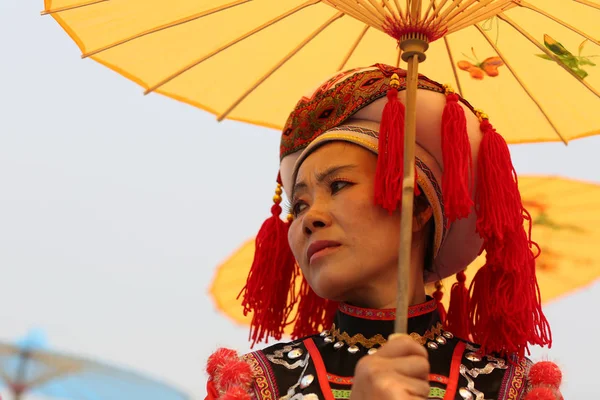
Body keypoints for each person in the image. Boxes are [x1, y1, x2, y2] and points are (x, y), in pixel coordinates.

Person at [205, 64, 563, 400]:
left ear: (418, 207)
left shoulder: (508, 388)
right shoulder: (256, 384)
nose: (309, 218)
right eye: (297, 206)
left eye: (339, 185)